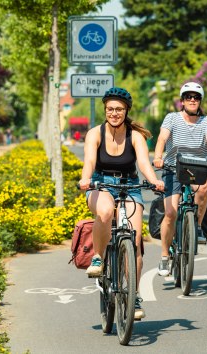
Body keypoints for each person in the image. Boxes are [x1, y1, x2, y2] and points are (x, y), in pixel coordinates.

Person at [78, 87, 165, 320]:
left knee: (134, 241)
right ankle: (98, 257)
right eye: (110, 109)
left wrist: (154, 180)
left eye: (119, 109)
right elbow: (89, 160)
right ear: (105, 110)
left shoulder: (135, 136)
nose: (114, 113)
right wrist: (86, 179)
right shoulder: (94, 134)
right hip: (100, 184)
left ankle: (134, 295)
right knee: (105, 212)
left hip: (130, 186)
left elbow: (144, 164)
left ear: (126, 111)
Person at [152, 82, 207, 277]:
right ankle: (165, 256)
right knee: (170, 212)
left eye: (196, 97)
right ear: (182, 101)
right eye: (188, 97)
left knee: (202, 189)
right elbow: (161, 138)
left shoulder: (206, 121)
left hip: (197, 166)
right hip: (172, 167)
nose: (192, 100)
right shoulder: (172, 118)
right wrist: (158, 157)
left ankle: (197, 227)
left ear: (200, 101)